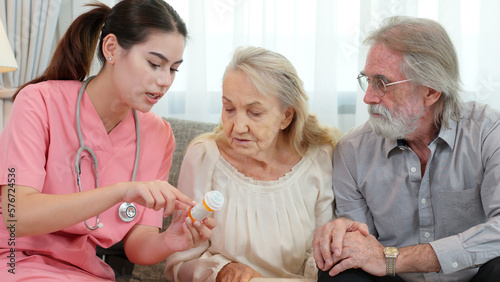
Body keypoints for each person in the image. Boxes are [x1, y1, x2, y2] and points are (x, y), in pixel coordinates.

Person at [0, 0, 215, 280]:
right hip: (14, 260)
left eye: (173, 69)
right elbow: (18, 215)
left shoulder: (158, 135)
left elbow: (138, 245)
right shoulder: (39, 101)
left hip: (85, 271)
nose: (164, 81)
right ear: (111, 49)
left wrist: (170, 241)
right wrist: (119, 192)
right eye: (154, 64)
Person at [312, 16, 500, 281]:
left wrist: (395, 259)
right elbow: (361, 246)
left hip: (475, 277)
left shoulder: (490, 133)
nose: (368, 97)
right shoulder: (352, 150)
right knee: (339, 269)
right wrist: (342, 238)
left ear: (431, 92)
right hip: (393, 279)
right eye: (367, 80)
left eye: (382, 83)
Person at [164, 46, 342, 282]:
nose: (237, 127)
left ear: (286, 116)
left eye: (254, 113)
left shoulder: (320, 158)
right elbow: (178, 263)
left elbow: (325, 262)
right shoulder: (204, 157)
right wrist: (221, 272)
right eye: (229, 109)